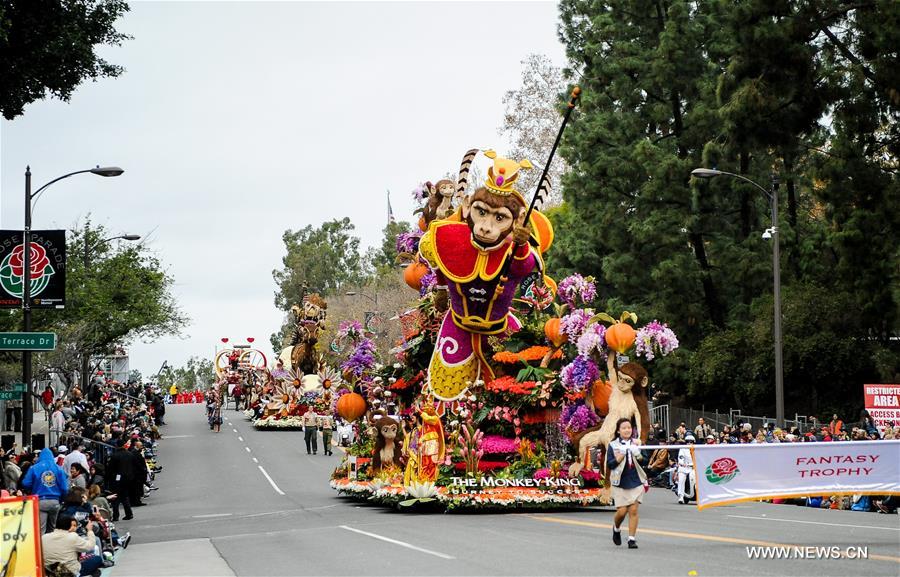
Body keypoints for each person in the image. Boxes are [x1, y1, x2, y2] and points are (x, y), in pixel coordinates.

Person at [607, 418, 646, 549]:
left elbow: (644, 461)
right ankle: (616, 528)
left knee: (633, 510)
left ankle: (631, 539)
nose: (627, 430)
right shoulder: (613, 445)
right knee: (622, 512)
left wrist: (638, 454)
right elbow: (610, 464)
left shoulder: (638, 443)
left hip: (636, 479)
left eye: (629, 427)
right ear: (618, 431)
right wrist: (620, 455)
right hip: (620, 481)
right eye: (624, 428)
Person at [21, 447, 69, 533]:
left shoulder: (34, 468)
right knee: (52, 529)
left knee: (41, 531)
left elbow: (25, 483)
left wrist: (32, 490)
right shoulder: (58, 468)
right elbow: (65, 488)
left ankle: (42, 546)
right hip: (55, 501)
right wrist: (61, 500)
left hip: (40, 500)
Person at [106, 442, 134, 521]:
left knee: (115, 497)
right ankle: (129, 513)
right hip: (128, 478)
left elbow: (110, 469)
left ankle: (116, 515)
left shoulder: (114, 456)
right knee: (125, 496)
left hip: (116, 479)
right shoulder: (129, 454)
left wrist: (107, 478)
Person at [676, 434, 696, 504]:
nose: (689, 443)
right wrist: (682, 463)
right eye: (688, 441)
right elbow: (681, 457)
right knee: (681, 479)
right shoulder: (683, 449)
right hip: (684, 467)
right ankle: (681, 496)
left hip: (694, 468)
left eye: (691, 442)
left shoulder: (697, 449)